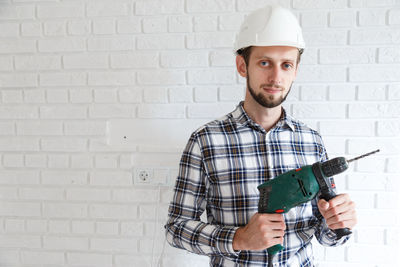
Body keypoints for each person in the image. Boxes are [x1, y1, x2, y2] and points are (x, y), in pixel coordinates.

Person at [164, 5, 357, 267]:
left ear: (295, 71)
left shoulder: (311, 141)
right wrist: (239, 239)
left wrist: (336, 224)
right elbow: (176, 228)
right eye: (264, 62)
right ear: (242, 66)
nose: (276, 76)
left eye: (286, 65)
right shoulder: (205, 141)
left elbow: (325, 234)